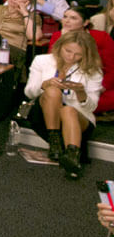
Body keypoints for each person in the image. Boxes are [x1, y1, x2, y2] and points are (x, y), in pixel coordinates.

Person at [25, 30, 103, 179]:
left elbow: (91, 108)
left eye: (78, 54)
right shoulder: (42, 60)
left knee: (68, 110)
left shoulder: (93, 71)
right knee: (53, 91)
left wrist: (81, 93)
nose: (71, 57)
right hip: (45, 112)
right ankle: (55, 143)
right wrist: (45, 84)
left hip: (78, 118)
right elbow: (29, 93)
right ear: (60, 46)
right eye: (68, 51)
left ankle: (72, 158)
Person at [48, 6, 114, 113]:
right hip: (65, 82)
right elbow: (52, 64)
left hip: (95, 82)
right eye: (65, 17)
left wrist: (102, 87)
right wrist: (63, 40)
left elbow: (112, 68)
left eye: (73, 18)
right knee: (54, 95)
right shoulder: (57, 36)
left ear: (85, 22)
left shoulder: (101, 37)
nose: (67, 21)